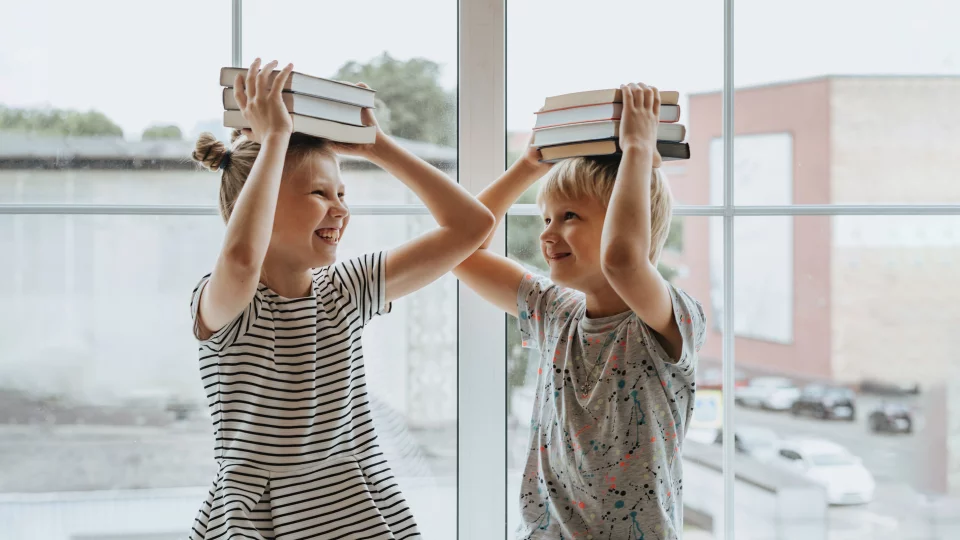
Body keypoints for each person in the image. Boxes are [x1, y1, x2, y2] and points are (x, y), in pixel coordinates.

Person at [187, 58, 494, 539]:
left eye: (342, 192)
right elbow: (245, 258)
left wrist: (381, 148)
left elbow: (472, 228)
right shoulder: (228, 304)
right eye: (319, 193)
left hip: (356, 508)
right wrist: (273, 141)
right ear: (260, 202)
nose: (341, 208)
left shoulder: (347, 290)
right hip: (259, 521)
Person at [454, 83, 706, 539]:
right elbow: (459, 250)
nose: (548, 235)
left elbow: (624, 261)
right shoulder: (555, 310)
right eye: (545, 219)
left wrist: (636, 148)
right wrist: (527, 167)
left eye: (569, 217)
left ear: (625, 223)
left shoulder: (668, 318)